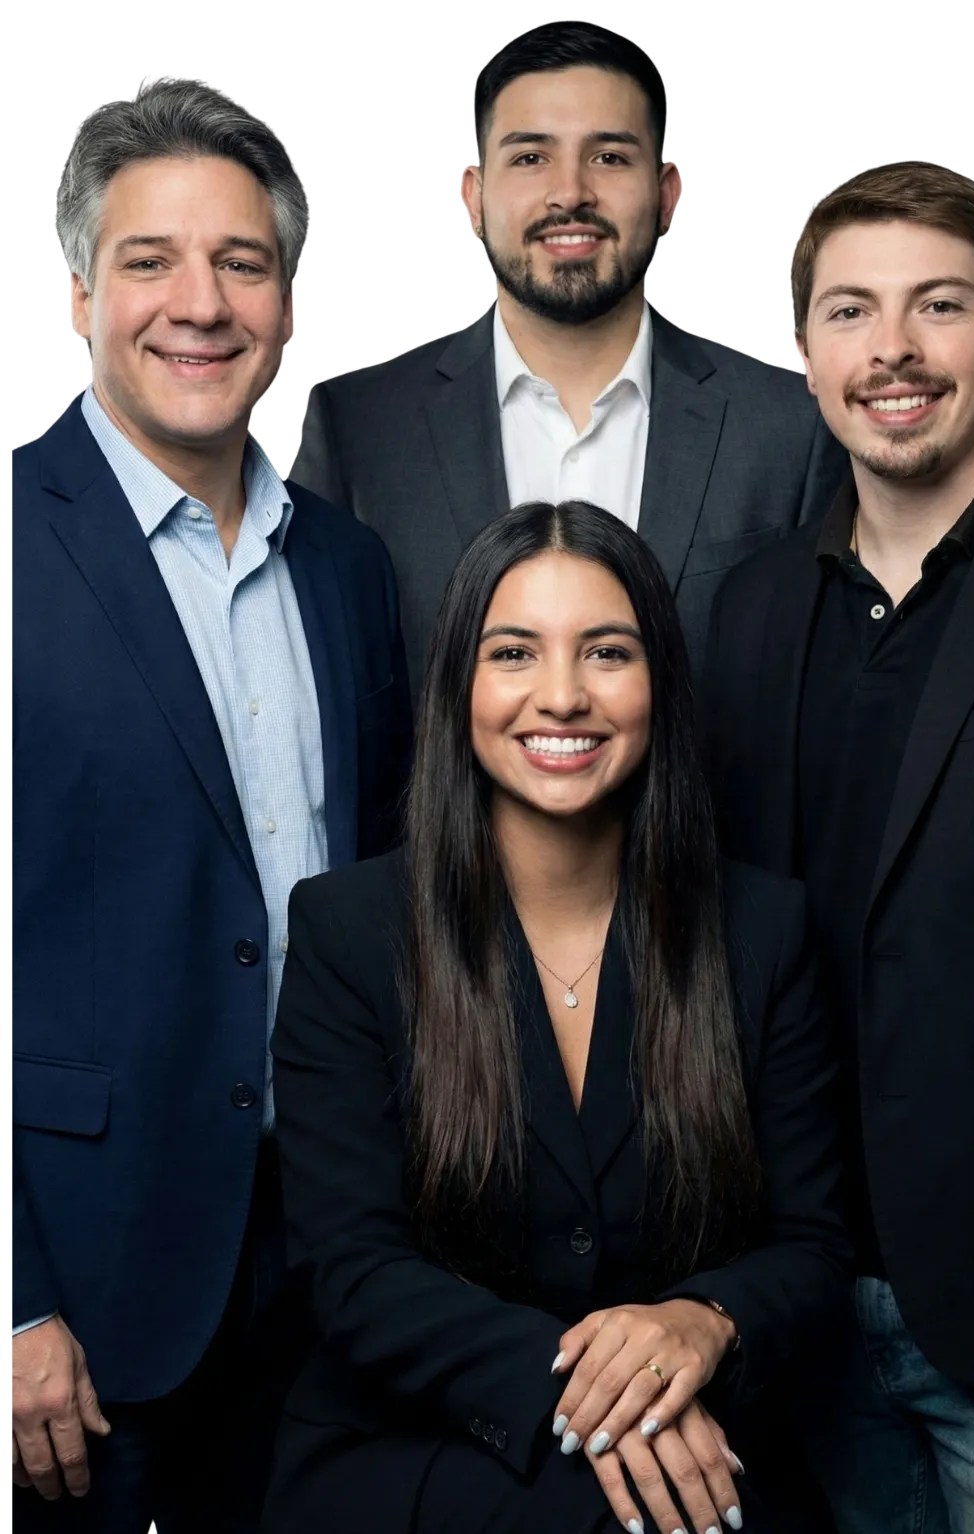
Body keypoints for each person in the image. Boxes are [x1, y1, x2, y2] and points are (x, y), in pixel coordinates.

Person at [262, 499, 851, 1534]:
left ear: (660, 684)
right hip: (415, 1450)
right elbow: (350, 1268)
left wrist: (704, 1321)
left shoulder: (762, 928)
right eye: (515, 652)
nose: (564, 695)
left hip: (697, 1448)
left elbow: (812, 1249)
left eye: (608, 652)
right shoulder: (349, 930)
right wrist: (603, 1405)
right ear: (460, 686)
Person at [10, 75, 411, 1533]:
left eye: (244, 262)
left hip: (325, 1266)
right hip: (80, 1297)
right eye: (150, 260)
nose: (203, 301)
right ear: (75, 297)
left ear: (290, 307)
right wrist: (8, 1310)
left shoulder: (352, 572)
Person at [699, 161, 974, 1532]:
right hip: (789, 1307)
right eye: (851, 312)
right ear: (803, 354)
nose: (893, 350)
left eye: (940, 306)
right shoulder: (746, 612)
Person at [287, 20, 846, 702]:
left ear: (669, 195)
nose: (570, 193)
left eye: (609, 157)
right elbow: (322, 699)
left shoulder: (790, 429)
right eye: (530, 158)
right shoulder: (358, 429)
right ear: (472, 196)